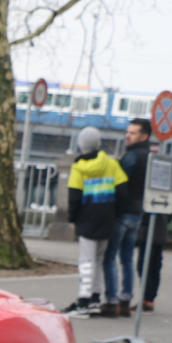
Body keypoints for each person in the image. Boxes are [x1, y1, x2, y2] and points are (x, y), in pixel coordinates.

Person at [63, 126, 127, 318]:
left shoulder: (78, 167)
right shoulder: (112, 164)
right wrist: (115, 213)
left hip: (87, 219)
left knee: (86, 261)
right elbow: (123, 192)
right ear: (97, 144)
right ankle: (94, 300)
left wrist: (73, 218)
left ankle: (82, 302)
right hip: (107, 219)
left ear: (81, 145)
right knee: (98, 260)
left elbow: (74, 197)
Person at [105, 118, 164, 316]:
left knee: (111, 256)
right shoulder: (151, 157)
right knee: (128, 258)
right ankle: (126, 297)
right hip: (138, 214)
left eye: (132, 133)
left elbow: (120, 184)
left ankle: (112, 299)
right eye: (127, 132)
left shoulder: (131, 157)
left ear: (144, 136)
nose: (127, 135)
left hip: (123, 213)